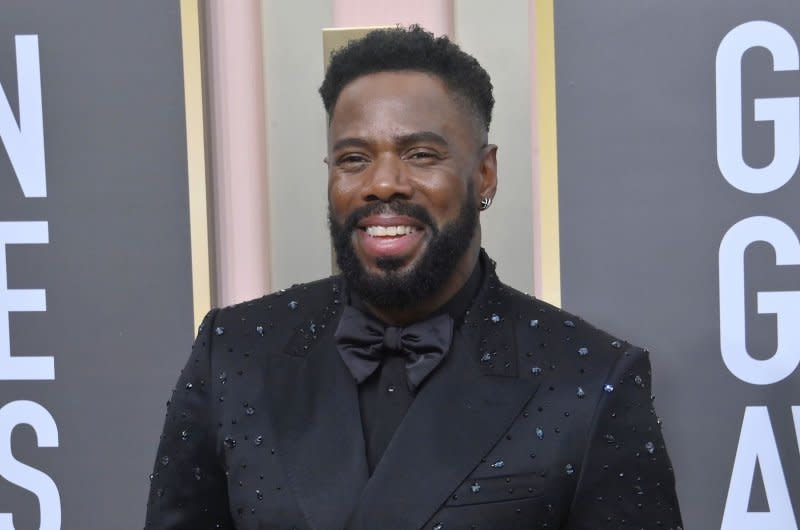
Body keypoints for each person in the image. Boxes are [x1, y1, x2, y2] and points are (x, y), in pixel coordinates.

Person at [145, 26, 682, 530]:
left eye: (420, 154)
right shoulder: (233, 355)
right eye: (353, 158)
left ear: (485, 174)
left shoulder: (590, 380)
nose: (382, 183)